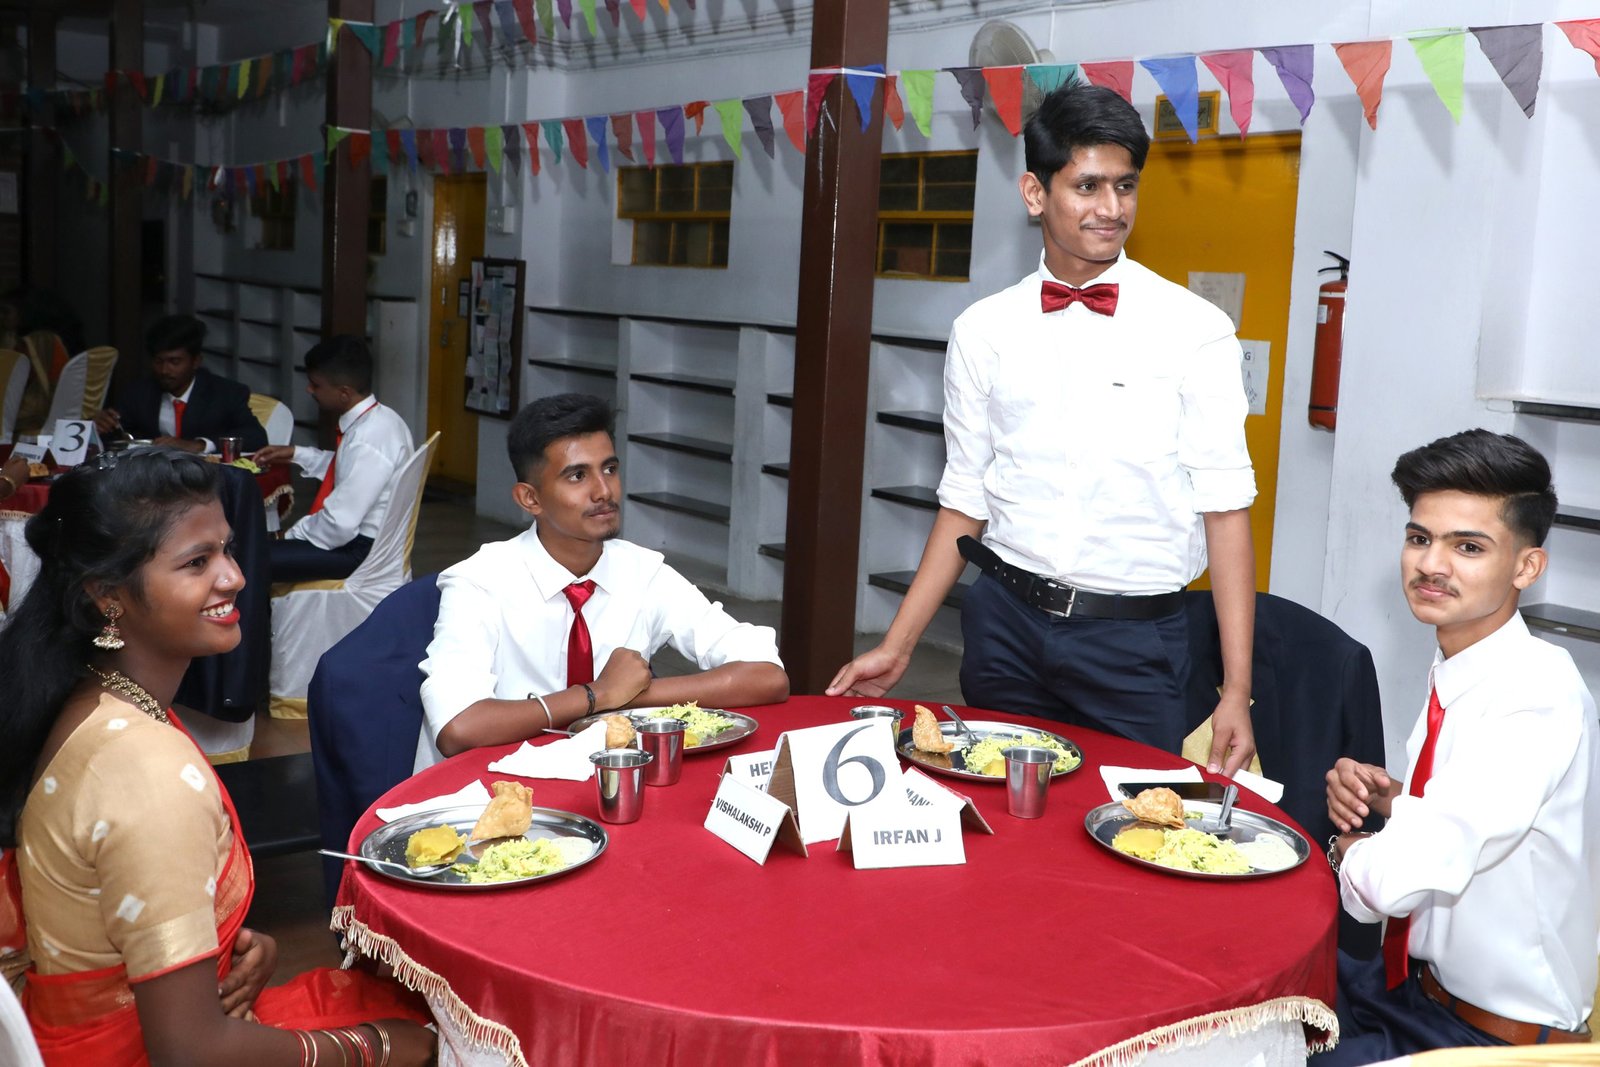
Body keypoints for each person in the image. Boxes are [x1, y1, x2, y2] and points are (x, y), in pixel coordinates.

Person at [827, 82, 1259, 774]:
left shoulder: (1195, 331)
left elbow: (1226, 510)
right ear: (1035, 193)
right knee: (1001, 812)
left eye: (1125, 186)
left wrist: (1236, 690)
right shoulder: (984, 331)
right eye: (1087, 186)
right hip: (1005, 627)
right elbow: (964, 498)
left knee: (1132, 819)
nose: (1111, 208)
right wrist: (898, 644)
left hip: (1135, 643)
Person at [0, 447, 434, 1065]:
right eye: (196, 562)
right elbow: (190, 1050)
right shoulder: (145, 769)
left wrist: (223, 949)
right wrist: (377, 1047)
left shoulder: (86, 696)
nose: (234, 577)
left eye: (226, 550)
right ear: (107, 595)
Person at [1319, 430, 1598, 1062]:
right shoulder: (1468, 664)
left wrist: (1344, 852)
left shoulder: (1536, 694)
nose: (1431, 565)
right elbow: (1467, 817)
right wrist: (1390, 798)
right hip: (1414, 993)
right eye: (1420, 538)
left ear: (1527, 567)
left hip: (1489, 1039)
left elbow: (1394, 882)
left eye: (1468, 547)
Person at [416, 393, 789, 769]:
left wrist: (634, 695)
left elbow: (768, 676)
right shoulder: (479, 583)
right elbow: (458, 727)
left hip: (605, 780)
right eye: (577, 476)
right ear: (530, 499)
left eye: (609, 469)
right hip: (491, 784)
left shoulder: (643, 573)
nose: (604, 491)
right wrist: (597, 694)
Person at [254, 335, 413, 582]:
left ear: (344, 393)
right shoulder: (383, 419)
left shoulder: (368, 439)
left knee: (250, 559)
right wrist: (296, 453)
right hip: (360, 541)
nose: (309, 390)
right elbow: (348, 468)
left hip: (359, 551)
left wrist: (287, 535)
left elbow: (340, 525)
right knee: (255, 551)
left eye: (316, 385)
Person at [93, 314, 268, 455]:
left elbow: (256, 437)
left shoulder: (226, 393)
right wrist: (99, 428)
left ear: (196, 361)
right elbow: (118, 437)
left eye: (174, 362)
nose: (164, 370)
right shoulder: (138, 392)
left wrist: (199, 445)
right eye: (159, 361)